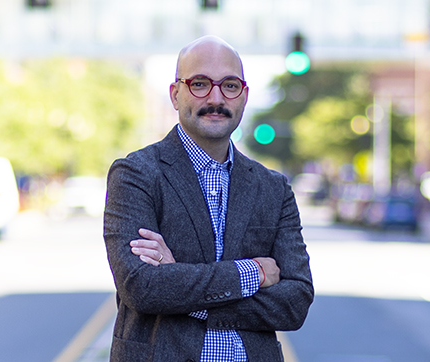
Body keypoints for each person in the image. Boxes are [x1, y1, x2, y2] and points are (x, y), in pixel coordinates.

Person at [103, 35, 313, 362]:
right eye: (200, 83)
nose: (215, 98)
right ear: (176, 94)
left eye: (229, 85)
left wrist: (179, 283)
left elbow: (295, 302)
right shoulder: (136, 174)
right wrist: (252, 274)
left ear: (243, 96)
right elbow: (141, 287)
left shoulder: (274, 189)